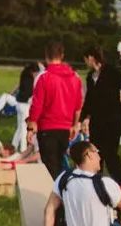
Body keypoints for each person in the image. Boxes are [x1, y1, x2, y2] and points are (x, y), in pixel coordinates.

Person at [81, 46, 121, 186]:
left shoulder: (112, 72)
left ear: (91, 57)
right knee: (96, 154)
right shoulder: (90, 77)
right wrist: (82, 119)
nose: (85, 62)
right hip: (97, 122)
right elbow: (89, 100)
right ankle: (95, 184)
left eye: (85, 59)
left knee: (110, 154)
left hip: (112, 121)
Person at [29, 42, 83, 178]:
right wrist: (75, 125)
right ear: (62, 56)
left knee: (50, 167)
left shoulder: (43, 77)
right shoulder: (75, 77)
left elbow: (37, 105)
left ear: (46, 56)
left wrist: (31, 126)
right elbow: (78, 106)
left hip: (47, 127)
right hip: (65, 127)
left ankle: (55, 196)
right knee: (59, 163)